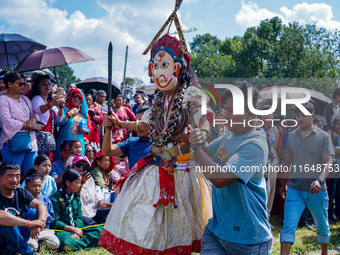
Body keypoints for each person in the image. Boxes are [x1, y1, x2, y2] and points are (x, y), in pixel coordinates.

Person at [99, 33, 213, 254]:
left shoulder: (192, 95)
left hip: (181, 171)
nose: (160, 71)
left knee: (177, 231)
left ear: (178, 68)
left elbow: (204, 122)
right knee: (145, 224)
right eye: (156, 65)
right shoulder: (159, 100)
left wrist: (200, 134)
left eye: (165, 64)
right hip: (154, 168)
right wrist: (120, 123)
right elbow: (144, 126)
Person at [189, 81, 272, 254]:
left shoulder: (254, 144)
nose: (225, 115)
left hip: (248, 238)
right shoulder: (229, 136)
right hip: (217, 229)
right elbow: (207, 153)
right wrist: (192, 137)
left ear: (249, 113)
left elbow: (220, 178)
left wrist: (196, 147)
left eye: (231, 111)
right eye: (225, 109)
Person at [280, 102, 333, 255]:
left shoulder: (323, 136)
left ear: (312, 116)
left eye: (303, 115)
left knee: (322, 226)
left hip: (317, 191)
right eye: (297, 115)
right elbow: (288, 163)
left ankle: (324, 252)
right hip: (295, 189)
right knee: (288, 226)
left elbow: (328, 161)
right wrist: (284, 184)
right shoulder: (290, 136)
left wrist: (320, 181)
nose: (300, 118)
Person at [0, 161, 48, 255]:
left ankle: (10, 249)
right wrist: (29, 223)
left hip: (14, 236)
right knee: (7, 220)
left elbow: (41, 205)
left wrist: (39, 222)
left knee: (35, 212)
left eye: (17, 176)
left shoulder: (21, 192)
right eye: (10, 176)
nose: (15, 180)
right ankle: (27, 251)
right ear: (0, 178)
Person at [0, 71, 43, 175]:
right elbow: (7, 122)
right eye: (20, 83)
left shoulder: (25, 99)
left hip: (30, 141)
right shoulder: (3, 100)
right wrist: (28, 125)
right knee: (13, 175)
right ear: (9, 84)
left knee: (32, 175)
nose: (23, 86)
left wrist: (33, 120)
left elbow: (35, 115)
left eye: (24, 84)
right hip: (12, 142)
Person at [50, 169, 103, 251]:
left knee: (100, 230)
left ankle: (76, 243)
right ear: (67, 183)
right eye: (77, 182)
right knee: (66, 240)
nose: (80, 185)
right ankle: (80, 243)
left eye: (80, 182)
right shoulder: (55, 199)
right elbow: (55, 222)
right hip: (63, 230)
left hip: (77, 229)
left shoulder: (76, 197)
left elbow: (79, 217)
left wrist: (78, 230)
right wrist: (72, 230)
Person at [103, 105, 151, 170]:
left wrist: (119, 123)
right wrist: (109, 128)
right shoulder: (132, 142)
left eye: (141, 121)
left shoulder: (159, 143)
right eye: (136, 121)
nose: (138, 126)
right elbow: (108, 151)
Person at [22, 175, 60, 251]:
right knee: (31, 245)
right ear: (26, 188)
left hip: (44, 230)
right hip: (30, 232)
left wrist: (39, 225)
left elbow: (50, 218)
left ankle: (40, 244)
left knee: (56, 244)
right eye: (33, 186)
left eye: (39, 186)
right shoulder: (23, 201)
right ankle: (37, 245)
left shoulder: (46, 201)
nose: (37, 189)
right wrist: (33, 225)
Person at [72, 156, 112, 226]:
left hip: (93, 212)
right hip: (81, 214)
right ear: (73, 167)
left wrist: (101, 203)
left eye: (84, 165)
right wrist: (81, 183)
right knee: (95, 226)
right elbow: (75, 198)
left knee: (111, 211)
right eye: (78, 165)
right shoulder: (71, 180)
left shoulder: (90, 179)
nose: (81, 167)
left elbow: (95, 195)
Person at [55, 89, 90, 160]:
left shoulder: (83, 112)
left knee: (77, 165)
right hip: (65, 144)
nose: (76, 99)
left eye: (79, 97)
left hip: (78, 145)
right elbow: (58, 122)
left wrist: (85, 130)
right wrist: (69, 114)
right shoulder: (64, 108)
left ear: (82, 100)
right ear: (70, 97)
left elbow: (89, 129)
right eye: (74, 96)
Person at [261, 105, 279, 216]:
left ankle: (268, 214)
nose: (268, 115)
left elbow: (275, 146)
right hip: (262, 160)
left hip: (273, 160)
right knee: (265, 188)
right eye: (265, 113)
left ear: (273, 115)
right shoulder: (258, 129)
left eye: (270, 113)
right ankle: (262, 213)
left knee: (272, 187)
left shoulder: (275, 130)